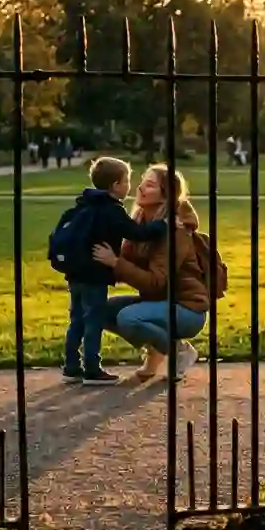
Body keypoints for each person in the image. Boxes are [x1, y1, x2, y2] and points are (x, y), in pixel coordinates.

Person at [49, 156, 174, 386]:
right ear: (116, 185)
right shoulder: (112, 210)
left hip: (75, 274)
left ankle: (71, 366)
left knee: (76, 319)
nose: (130, 186)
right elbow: (137, 233)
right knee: (93, 320)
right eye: (127, 180)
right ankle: (92, 369)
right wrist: (162, 226)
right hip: (95, 276)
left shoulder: (83, 205)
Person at [93, 163, 208, 383]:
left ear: (166, 195)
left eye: (150, 185)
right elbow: (123, 262)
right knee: (100, 310)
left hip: (186, 309)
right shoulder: (141, 222)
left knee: (128, 318)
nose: (140, 188)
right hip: (157, 303)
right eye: (141, 183)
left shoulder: (175, 231)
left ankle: (178, 350)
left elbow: (156, 282)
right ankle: (156, 354)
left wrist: (115, 263)